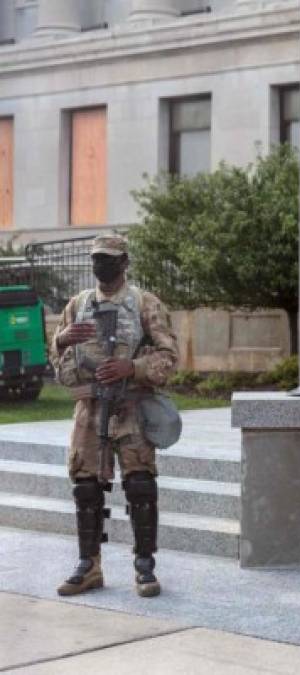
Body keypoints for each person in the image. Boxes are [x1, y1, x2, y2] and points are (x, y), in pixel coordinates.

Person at [50, 234, 178, 598]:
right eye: (95, 259)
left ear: (124, 263)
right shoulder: (78, 304)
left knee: (139, 484)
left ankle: (144, 566)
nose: (100, 266)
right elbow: (58, 359)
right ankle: (89, 565)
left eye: (108, 259)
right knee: (85, 487)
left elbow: (169, 356)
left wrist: (132, 366)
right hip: (89, 409)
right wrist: (61, 342)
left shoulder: (144, 303)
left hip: (131, 407)